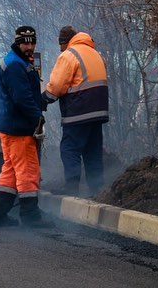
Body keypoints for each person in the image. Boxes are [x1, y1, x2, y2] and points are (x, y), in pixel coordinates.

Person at [0, 25, 54, 227]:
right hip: (18, 128)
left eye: (32, 42)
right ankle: (31, 216)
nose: (29, 46)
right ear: (17, 42)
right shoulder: (16, 65)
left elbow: (23, 95)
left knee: (11, 171)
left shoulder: (16, 60)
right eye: (25, 42)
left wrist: (39, 103)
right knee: (28, 171)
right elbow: (22, 98)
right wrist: (37, 118)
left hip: (9, 125)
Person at [44, 26, 109, 197]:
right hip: (99, 111)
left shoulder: (69, 55)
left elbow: (57, 86)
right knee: (93, 150)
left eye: (61, 46)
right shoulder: (95, 53)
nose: (60, 50)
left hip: (79, 110)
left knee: (69, 147)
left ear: (65, 43)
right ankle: (97, 189)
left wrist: (44, 99)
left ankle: (72, 186)